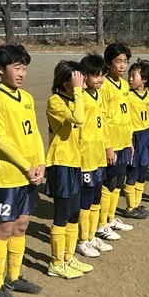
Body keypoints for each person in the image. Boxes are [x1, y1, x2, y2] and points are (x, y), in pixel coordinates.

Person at [0, 44, 46, 297]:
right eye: (16, 67)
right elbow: (0, 141)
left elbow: (35, 132)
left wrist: (41, 163)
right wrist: (26, 166)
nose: (21, 73)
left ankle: (13, 277)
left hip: (30, 175)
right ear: (0, 69)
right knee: (4, 228)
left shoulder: (27, 97)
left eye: (24, 68)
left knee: (21, 225)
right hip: (9, 176)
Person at [44, 60, 94, 279]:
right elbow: (79, 118)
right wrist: (78, 92)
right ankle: (56, 263)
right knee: (62, 214)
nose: (83, 82)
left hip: (75, 162)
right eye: (78, 78)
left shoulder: (75, 99)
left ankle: (68, 257)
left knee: (74, 213)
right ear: (66, 83)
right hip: (60, 163)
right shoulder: (55, 101)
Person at [76, 53, 112, 259]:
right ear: (84, 76)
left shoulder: (99, 95)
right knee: (86, 197)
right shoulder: (81, 97)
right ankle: (82, 240)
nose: (100, 79)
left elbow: (103, 123)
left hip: (99, 154)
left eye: (102, 75)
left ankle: (91, 236)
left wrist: (108, 147)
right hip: (85, 156)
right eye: (95, 75)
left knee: (96, 196)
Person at [97, 42, 135, 240]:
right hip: (111, 143)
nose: (122, 66)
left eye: (125, 62)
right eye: (118, 61)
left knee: (119, 180)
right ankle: (101, 224)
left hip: (123, 141)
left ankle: (110, 219)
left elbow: (126, 114)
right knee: (109, 182)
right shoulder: (104, 85)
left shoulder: (125, 85)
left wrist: (129, 141)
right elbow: (102, 118)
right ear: (108, 63)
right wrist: (107, 146)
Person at [124, 58, 149, 219]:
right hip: (133, 137)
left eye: (133, 76)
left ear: (144, 79)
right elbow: (126, 120)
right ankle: (130, 208)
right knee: (132, 173)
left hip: (146, 136)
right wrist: (129, 140)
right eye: (129, 76)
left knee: (143, 173)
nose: (130, 79)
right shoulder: (127, 96)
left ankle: (137, 204)